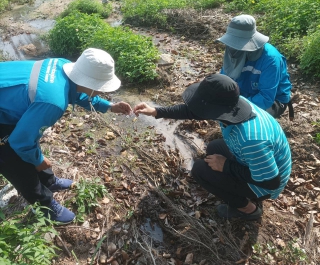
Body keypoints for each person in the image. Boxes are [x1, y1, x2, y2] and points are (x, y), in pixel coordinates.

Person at [0, 48, 132, 224]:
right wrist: (39, 161)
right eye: (101, 88)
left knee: (30, 137)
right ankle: (45, 206)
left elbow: (76, 92)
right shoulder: (53, 102)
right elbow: (20, 141)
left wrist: (109, 106)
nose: (102, 91)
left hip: (7, 100)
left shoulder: (63, 65)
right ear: (92, 83)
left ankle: (50, 181)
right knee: (14, 161)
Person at [133, 74, 291, 220]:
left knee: (200, 170)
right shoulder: (234, 104)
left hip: (267, 183)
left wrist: (226, 166)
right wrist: (155, 111)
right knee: (214, 147)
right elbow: (194, 111)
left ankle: (248, 209)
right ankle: (236, 187)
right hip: (259, 165)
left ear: (215, 110)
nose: (199, 111)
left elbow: (271, 183)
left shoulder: (251, 139)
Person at [217, 14, 293, 119]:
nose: (233, 48)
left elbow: (266, 98)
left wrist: (236, 107)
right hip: (243, 94)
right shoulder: (233, 51)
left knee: (241, 117)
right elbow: (224, 80)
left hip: (272, 100)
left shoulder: (270, 59)